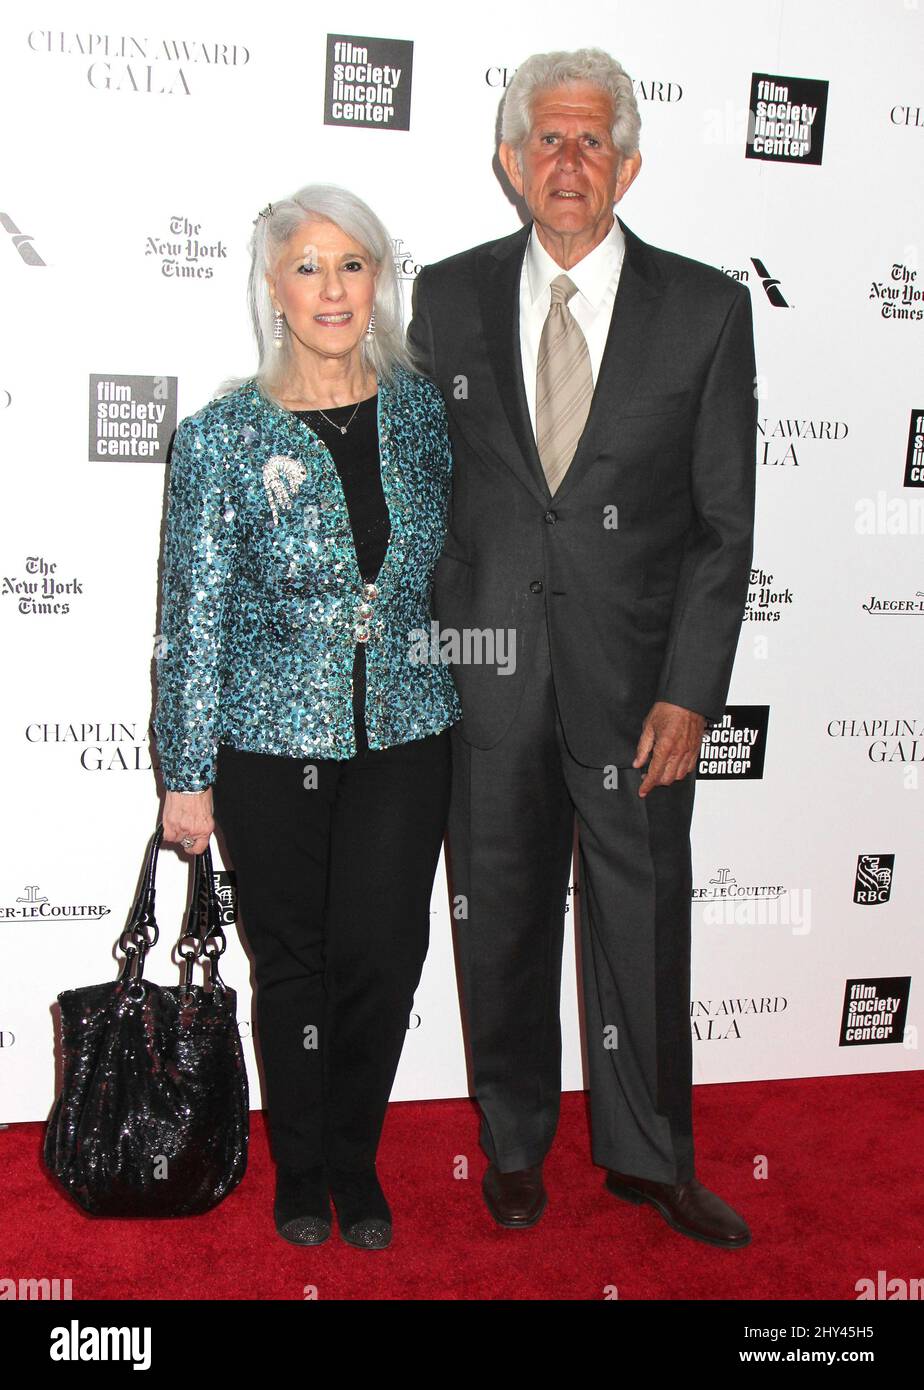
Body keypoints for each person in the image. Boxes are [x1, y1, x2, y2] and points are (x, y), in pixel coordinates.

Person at [407, 48, 757, 1248]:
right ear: (511, 163)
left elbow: (723, 527)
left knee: (642, 917)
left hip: (638, 693)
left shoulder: (706, 308)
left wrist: (692, 695)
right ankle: (513, 1143)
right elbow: (422, 496)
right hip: (486, 676)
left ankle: (651, 1156)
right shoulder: (445, 299)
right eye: (546, 141)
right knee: (497, 914)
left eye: (590, 140)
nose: (568, 161)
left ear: (631, 163)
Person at [152, 183, 461, 1250]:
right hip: (267, 739)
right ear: (274, 287)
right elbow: (191, 614)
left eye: (352, 263)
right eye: (308, 266)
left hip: (409, 728)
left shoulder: (426, 412)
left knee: (381, 952)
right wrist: (184, 771)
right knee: (290, 961)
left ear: (378, 279)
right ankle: (301, 1167)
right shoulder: (221, 437)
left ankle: (355, 1158)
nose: (332, 287)